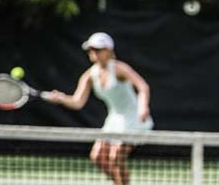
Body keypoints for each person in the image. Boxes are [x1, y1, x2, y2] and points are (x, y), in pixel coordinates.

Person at [44, 32, 153, 185]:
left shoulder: (120, 68)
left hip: (133, 117)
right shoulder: (89, 75)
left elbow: (143, 86)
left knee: (116, 157)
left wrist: (143, 107)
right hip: (114, 119)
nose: (93, 53)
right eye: (90, 50)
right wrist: (61, 98)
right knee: (98, 157)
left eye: (97, 49)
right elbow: (77, 102)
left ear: (108, 50)